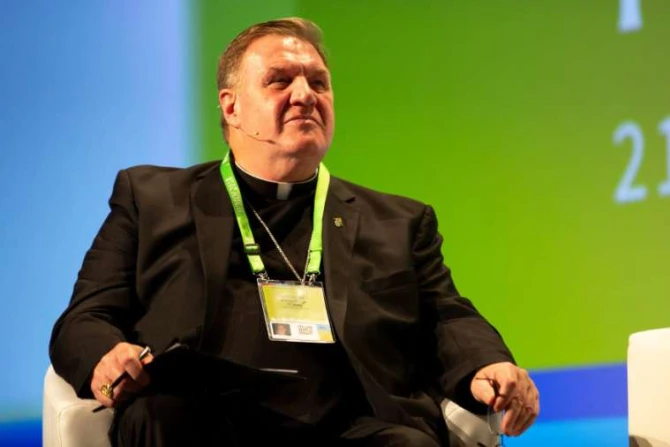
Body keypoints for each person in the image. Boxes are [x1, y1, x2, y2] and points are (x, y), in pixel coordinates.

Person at [49, 17, 539, 447]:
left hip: (350, 425)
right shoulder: (153, 200)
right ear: (231, 107)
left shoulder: (399, 221)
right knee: (161, 418)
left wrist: (486, 365)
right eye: (279, 80)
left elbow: (447, 317)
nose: (305, 95)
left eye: (318, 83)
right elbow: (85, 317)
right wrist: (106, 358)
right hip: (203, 415)